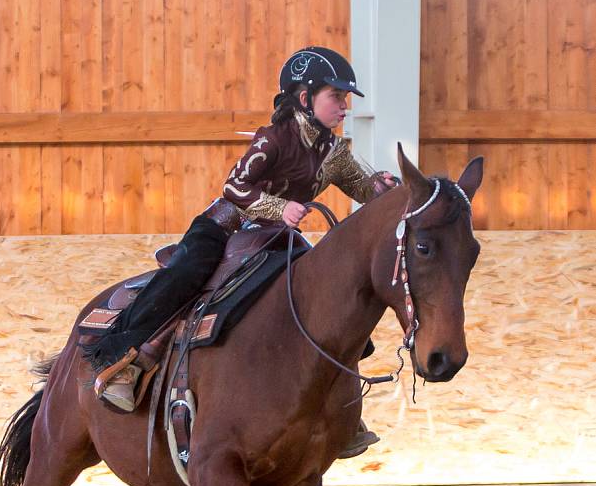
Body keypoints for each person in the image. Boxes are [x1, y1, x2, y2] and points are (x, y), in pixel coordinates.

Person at [84, 46, 396, 457]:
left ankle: (340, 406)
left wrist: (383, 190)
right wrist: (278, 206)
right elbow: (234, 188)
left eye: (344, 99)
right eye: (335, 97)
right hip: (222, 227)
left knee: (331, 299)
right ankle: (128, 362)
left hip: (274, 241)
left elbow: (360, 186)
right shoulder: (273, 139)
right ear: (304, 99)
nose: (343, 106)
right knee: (184, 277)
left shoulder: (334, 152)